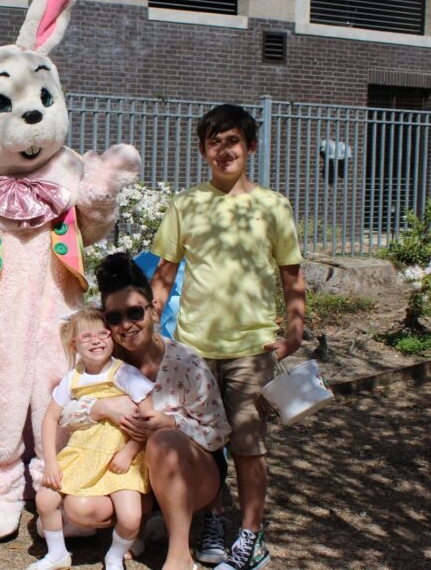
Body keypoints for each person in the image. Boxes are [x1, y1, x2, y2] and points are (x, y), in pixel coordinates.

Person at [150, 103, 306, 570]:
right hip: (194, 350)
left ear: (250, 146)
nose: (223, 150)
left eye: (232, 141)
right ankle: (215, 519)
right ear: (203, 150)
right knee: (202, 441)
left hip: (251, 348)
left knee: (247, 443)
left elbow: (291, 277)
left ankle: (252, 534)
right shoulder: (186, 204)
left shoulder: (272, 206)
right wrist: (153, 333)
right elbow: (163, 275)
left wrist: (294, 330)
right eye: (214, 142)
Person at [59, 253, 231, 570]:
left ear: (153, 309)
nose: (126, 325)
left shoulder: (186, 363)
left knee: (163, 442)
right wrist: (99, 408)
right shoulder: (103, 362)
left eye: (135, 312)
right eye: (114, 317)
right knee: (80, 510)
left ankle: (180, 555)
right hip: (132, 476)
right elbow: (62, 414)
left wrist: (172, 422)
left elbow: (219, 434)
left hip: (196, 475)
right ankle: (140, 527)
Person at [30, 308, 153, 570]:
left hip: (120, 457)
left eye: (103, 333)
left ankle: (115, 555)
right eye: (86, 336)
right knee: (45, 499)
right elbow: (50, 419)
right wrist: (51, 462)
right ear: (73, 344)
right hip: (82, 452)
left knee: (131, 518)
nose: (96, 340)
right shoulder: (72, 378)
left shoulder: (125, 374)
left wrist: (130, 451)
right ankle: (57, 554)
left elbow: (148, 417)